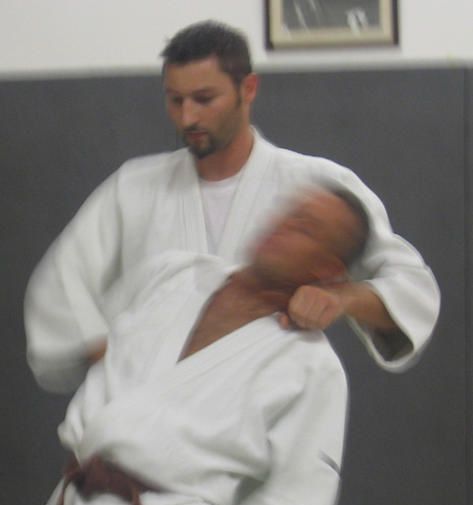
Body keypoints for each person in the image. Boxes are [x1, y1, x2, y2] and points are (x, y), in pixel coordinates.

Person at [24, 20, 440, 396]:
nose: (188, 117)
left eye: (205, 99)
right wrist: (116, 364)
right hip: (138, 425)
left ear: (248, 89)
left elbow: (411, 285)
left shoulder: (317, 187)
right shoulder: (133, 188)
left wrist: (343, 297)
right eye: (175, 100)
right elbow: (60, 287)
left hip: (259, 425)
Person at [14, 186, 369, 505]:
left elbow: (305, 489)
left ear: (326, 271)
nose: (281, 226)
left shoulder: (311, 366)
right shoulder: (174, 274)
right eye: (288, 213)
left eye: (304, 229)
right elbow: (92, 331)